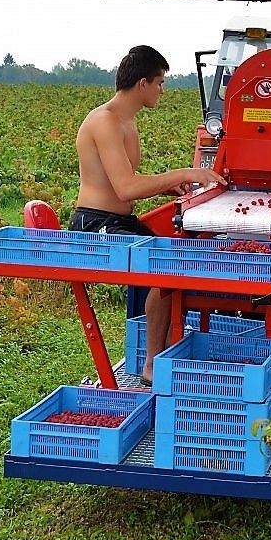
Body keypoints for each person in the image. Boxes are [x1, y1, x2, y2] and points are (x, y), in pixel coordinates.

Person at [70, 45, 226, 384]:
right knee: (163, 266)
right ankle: (153, 364)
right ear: (142, 83)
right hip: (95, 225)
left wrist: (165, 187)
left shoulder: (127, 123)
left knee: (175, 262)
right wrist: (184, 174)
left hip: (121, 222)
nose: (162, 90)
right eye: (160, 83)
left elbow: (126, 186)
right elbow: (125, 188)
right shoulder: (105, 121)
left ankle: (160, 358)